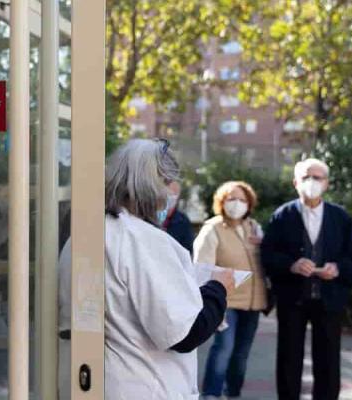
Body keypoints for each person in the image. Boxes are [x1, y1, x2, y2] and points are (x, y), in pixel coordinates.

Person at [57, 138, 235, 399]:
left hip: (87, 383)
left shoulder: (83, 236)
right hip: (141, 385)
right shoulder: (144, 241)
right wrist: (218, 288)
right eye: (168, 182)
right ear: (154, 185)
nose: (172, 192)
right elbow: (185, 333)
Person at [260, 158, 352, 400]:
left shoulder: (340, 217)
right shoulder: (282, 215)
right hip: (292, 298)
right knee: (288, 358)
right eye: (306, 177)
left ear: (326, 183)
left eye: (317, 177)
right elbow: (267, 255)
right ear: (295, 182)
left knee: (328, 358)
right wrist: (291, 265)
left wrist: (337, 269)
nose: (311, 182)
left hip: (329, 300)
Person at [194, 181, 267, 399]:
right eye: (231, 198)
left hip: (253, 302)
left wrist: (264, 243)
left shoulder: (253, 227)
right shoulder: (212, 229)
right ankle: (211, 394)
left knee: (241, 353)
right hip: (225, 303)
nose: (237, 204)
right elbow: (201, 268)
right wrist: (210, 303)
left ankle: (233, 393)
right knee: (223, 349)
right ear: (221, 202)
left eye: (242, 199)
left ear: (249, 203)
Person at [163, 181, 195, 254]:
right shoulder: (150, 216)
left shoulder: (183, 221)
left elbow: (188, 249)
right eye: (167, 194)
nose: (169, 197)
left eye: (173, 195)